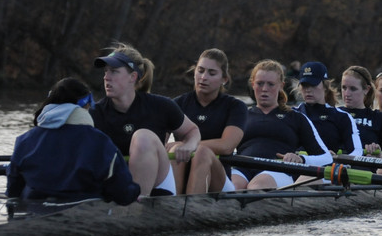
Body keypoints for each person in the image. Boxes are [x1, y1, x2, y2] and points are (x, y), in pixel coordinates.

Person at [7, 78, 140, 207]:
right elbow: (123, 194)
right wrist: (137, 190)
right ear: (87, 104)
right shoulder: (102, 143)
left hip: (34, 211)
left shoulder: (24, 141)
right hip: (84, 214)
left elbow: (13, 192)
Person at [91, 42, 200, 196]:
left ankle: (136, 205)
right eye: (105, 71)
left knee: (143, 137)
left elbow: (192, 131)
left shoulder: (161, 106)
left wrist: (189, 145)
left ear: (133, 77)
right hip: (116, 181)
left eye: (114, 71)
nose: (106, 77)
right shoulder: (95, 113)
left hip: (158, 182)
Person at [231, 59, 332, 190]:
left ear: (281, 86)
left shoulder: (296, 118)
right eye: (260, 83)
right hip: (242, 168)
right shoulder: (240, 116)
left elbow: (326, 157)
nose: (264, 89)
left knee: (256, 186)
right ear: (253, 84)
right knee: (231, 187)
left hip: (278, 169)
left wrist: (301, 159)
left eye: (271, 84)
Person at [172, 48, 247, 194]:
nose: (203, 77)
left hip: (219, 182)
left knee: (201, 152)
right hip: (182, 171)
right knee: (175, 150)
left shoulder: (236, 106)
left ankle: (192, 204)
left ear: (224, 79)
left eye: (211, 73)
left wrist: (188, 145)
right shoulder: (177, 104)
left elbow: (226, 146)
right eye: (200, 71)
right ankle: (170, 201)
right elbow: (161, 144)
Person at [338, 65, 382, 161]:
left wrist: (380, 157)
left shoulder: (379, 118)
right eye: (344, 88)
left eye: (353, 89)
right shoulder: (333, 114)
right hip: (334, 167)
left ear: (366, 90)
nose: (347, 93)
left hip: (363, 169)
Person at [293, 61, 363, 155]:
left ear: (325, 86)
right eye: (304, 85)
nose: (308, 90)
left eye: (313, 84)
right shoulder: (291, 114)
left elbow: (357, 152)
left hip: (329, 164)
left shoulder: (342, 117)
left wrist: (333, 159)